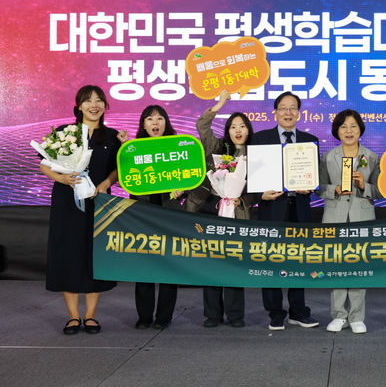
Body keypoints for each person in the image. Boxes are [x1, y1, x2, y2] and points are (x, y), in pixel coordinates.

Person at [40, 85, 123, 335]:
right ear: (78, 106)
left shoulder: (113, 136)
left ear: (105, 106)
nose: (93, 105)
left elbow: (119, 168)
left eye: (98, 100)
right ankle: (73, 316)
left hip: (98, 201)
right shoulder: (65, 132)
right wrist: (61, 178)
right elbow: (44, 164)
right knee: (68, 253)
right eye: (88, 101)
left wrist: (107, 183)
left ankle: (90, 315)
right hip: (67, 201)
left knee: (94, 255)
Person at [185, 90, 254, 329]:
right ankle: (212, 314)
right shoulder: (218, 148)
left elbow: (257, 190)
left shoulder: (256, 154)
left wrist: (242, 200)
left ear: (248, 130)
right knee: (211, 262)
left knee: (234, 262)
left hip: (237, 213)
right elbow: (202, 125)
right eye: (233, 126)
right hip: (212, 209)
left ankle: (236, 315)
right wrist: (219, 104)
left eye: (242, 126)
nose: (238, 130)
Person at [250, 91, 319, 330]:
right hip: (272, 208)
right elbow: (251, 176)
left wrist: (310, 187)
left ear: (299, 113)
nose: (288, 112)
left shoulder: (309, 140)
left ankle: (298, 311)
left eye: (293, 108)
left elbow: (314, 177)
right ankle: (275, 312)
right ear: (275, 112)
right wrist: (260, 195)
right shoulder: (260, 139)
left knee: (299, 261)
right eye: (283, 108)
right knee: (271, 260)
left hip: (299, 208)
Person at [318, 110, 380, 334]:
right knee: (336, 264)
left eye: (353, 126)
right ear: (337, 131)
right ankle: (338, 315)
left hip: (362, 216)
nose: (349, 131)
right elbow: (319, 188)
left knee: (358, 265)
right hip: (334, 217)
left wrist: (365, 186)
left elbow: (380, 190)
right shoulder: (328, 157)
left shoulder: (371, 157)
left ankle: (356, 316)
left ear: (360, 129)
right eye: (343, 126)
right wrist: (333, 189)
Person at [124, 105, 181, 330]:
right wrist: (124, 149)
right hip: (143, 215)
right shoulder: (134, 149)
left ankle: (164, 317)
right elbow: (126, 179)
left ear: (166, 123)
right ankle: (144, 316)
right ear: (143, 125)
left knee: (169, 266)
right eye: (150, 119)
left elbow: (190, 176)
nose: (155, 123)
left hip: (169, 214)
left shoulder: (177, 148)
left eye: (160, 118)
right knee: (144, 266)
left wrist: (183, 189)